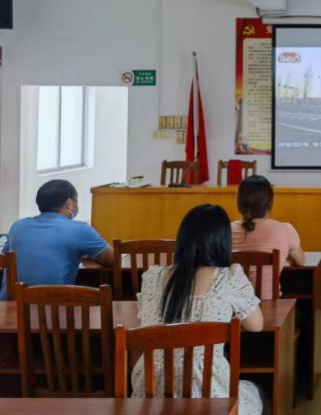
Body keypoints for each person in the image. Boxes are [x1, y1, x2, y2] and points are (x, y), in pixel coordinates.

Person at [133, 204, 263, 414]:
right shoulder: (228, 278)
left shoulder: (152, 278)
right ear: (222, 241)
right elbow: (256, 326)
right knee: (254, 390)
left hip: (151, 392)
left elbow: (144, 324)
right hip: (207, 394)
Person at [0, 179, 113, 300]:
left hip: (7, 311)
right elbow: (113, 258)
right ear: (69, 204)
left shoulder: (17, 226)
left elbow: (7, 254)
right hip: (52, 314)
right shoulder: (80, 229)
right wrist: (88, 254)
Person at [231, 175, 304, 299]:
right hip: (269, 302)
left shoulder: (226, 231)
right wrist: (284, 258)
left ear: (239, 202)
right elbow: (301, 262)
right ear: (269, 202)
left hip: (235, 306)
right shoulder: (284, 229)